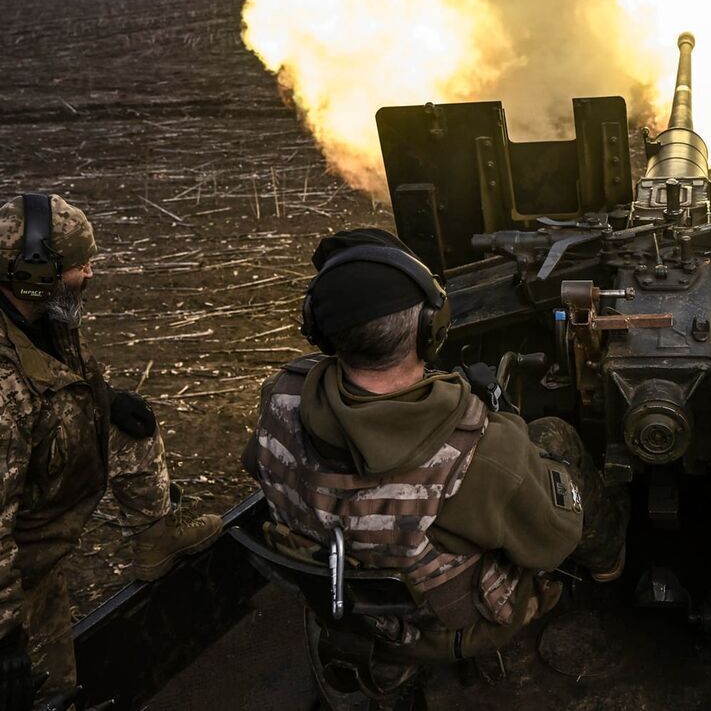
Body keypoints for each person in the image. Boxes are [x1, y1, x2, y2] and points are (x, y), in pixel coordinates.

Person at [244, 228, 628, 693]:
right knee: (554, 438)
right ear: (433, 328)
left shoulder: (280, 398)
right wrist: (503, 426)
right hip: (443, 629)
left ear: (321, 332)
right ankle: (610, 562)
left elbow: (260, 466)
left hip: (346, 605)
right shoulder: (479, 452)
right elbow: (551, 543)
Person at [0, 194, 224, 706]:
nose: (91, 274)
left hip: (40, 498)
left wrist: (108, 400)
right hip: (23, 551)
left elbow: (58, 382)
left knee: (132, 425)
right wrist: (5, 637)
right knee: (47, 690)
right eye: (81, 265)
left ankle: (156, 537)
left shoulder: (44, 313)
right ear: (34, 270)